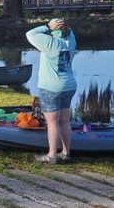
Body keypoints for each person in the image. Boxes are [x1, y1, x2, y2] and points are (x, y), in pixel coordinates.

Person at [26, 18, 77, 164]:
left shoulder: (50, 43)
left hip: (51, 87)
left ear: (54, 29)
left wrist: (47, 26)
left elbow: (30, 34)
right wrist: (62, 25)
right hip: (69, 85)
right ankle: (66, 153)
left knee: (52, 122)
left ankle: (52, 155)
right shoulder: (71, 41)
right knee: (64, 121)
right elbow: (69, 31)